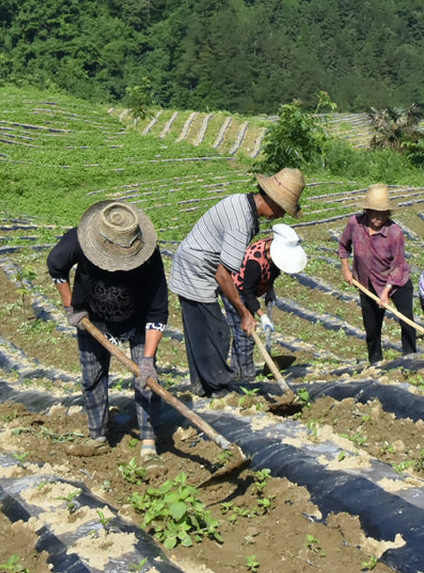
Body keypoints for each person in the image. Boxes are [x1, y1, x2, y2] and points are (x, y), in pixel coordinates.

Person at [169, 168, 305, 397]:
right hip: (196, 269)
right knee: (216, 330)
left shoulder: (244, 207)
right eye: (282, 209)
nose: (281, 216)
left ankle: (203, 387)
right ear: (271, 200)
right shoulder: (241, 221)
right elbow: (223, 274)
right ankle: (218, 388)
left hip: (199, 266)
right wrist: (244, 313)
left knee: (200, 331)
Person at [48, 200, 167, 458]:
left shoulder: (148, 253)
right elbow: (56, 265)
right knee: (92, 377)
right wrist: (71, 306)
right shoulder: (79, 239)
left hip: (137, 318)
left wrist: (147, 359)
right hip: (92, 318)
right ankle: (98, 436)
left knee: (147, 380)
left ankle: (148, 444)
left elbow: (158, 310)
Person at [339, 183, 416, 364]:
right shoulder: (355, 224)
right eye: (374, 212)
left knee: (407, 322)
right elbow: (343, 246)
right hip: (366, 283)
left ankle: (411, 360)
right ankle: (375, 363)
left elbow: (397, 266)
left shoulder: (394, 232)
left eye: (383, 213)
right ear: (367, 210)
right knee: (372, 328)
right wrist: (346, 269)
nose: (378, 217)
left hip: (397, 283)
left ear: (389, 213)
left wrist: (386, 292)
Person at [223, 222, 307, 380]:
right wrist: (262, 316)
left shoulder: (276, 253)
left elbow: (272, 274)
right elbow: (247, 294)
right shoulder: (255, 263)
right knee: (246, 335)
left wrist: (270, 291)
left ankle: (237, 372)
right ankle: (247, 378)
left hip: (249, 290)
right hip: (235, 290)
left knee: (242, 334)